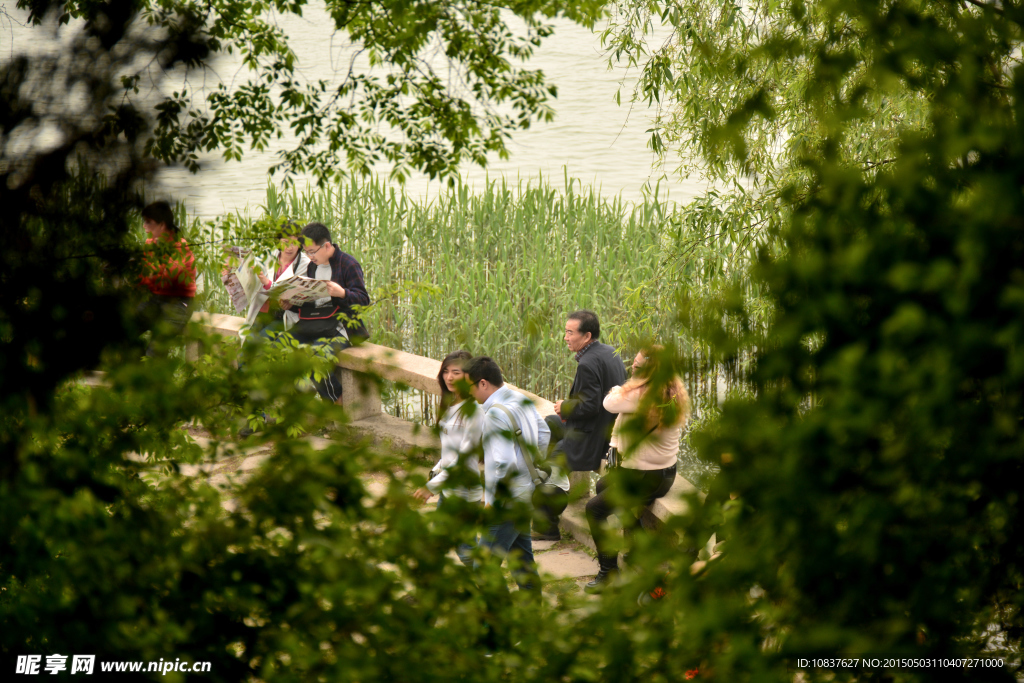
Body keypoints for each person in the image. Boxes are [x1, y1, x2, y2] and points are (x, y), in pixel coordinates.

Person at [583, 345, 689, 593]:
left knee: (594, 509)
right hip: (664, 474)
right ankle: (638, 547)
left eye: (638, 366)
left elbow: (609, 403)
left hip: (643, 478)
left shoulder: (641, 394)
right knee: (602, 486)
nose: (632, 367)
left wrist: (623, 386)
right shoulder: (673, 391)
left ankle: (608, 573)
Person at [461, 356, 550, 595]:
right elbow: (544, 434)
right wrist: (528, 467)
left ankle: (502, 621)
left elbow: (503, 462)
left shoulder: (494, 414)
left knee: (483, 566)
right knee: (522, 561)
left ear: (482, 384)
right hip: (526, 492)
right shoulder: (520, 398)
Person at [542, 309, 626, 537]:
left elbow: (591, 406)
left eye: (570, 332)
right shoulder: (610, 352)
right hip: (606, 428)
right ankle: (544, 477)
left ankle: (547, 526)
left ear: (586, 336)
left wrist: (565, 406)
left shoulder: (587, 363)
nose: (565, 337)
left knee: (555, 460)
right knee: (548, 424)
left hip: (595, 437)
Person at [287, 221, 371, 403]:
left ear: (326, 246)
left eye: (312, 252)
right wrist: (291, 304)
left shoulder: (348, 264)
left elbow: (363, 300)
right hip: (314, 324)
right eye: (306, 252)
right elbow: (312, 302)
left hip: (340, 327)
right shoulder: (312, 267)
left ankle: (337, 400)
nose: (309, 257)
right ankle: (302, 404)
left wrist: (343, 293)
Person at [413, 350, 482, 506]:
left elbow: (465, 458)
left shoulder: (473, 410)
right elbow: (451, 448)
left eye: (455, 372)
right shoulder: (451, 404)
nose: (449, 377)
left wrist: (431, 487)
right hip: (448, 488)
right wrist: (436, 471)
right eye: (446, 371)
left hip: (464, 495)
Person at [137, 201, 196, 353]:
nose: (144, 226)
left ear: (162, 225)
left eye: (148, 222)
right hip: (154, 299)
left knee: (155, 351)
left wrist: (150, 273)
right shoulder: (150, 244)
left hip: (178, 303)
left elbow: (169, 278)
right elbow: (143, 279)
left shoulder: (180, 246)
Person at [237, 221, 310, 343]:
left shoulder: (305, 264)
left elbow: (297, 292)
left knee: (257, 343)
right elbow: (251, 279)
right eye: (285, 242)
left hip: (282, 316)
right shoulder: (267, 256)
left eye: (294, 243)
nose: (289, 248)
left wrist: (267, 283)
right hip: (262, 311)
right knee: (246, 344)